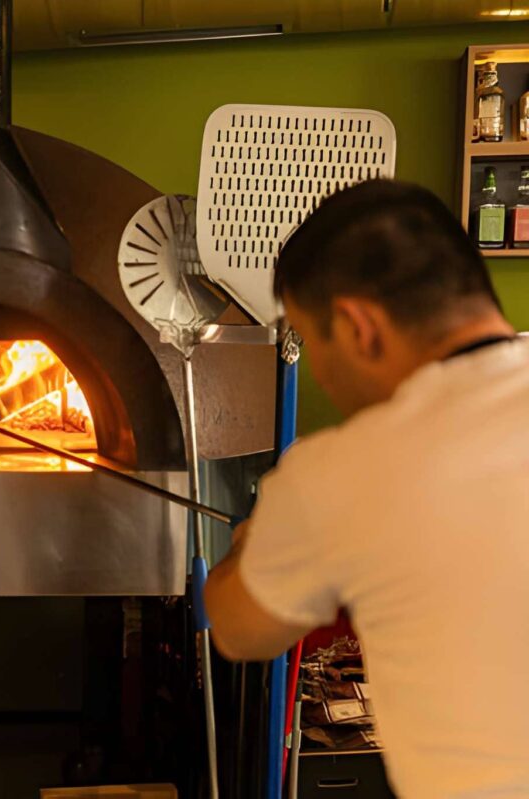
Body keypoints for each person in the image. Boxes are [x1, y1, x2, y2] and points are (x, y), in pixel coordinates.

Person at [204, 179, 529, 797]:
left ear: (358, 326)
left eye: (311, 343)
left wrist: (253, 543)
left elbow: (239, 628)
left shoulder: (340, 469)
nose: (321, 375)